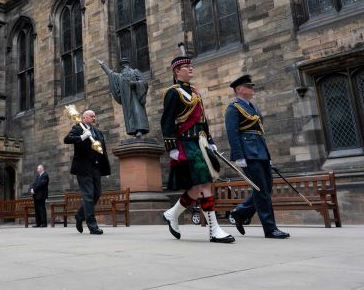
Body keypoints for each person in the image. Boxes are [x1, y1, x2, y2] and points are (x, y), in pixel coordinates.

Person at [160, 55, 234, 243]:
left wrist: (210, 140)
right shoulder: (173, 93)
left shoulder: (195, 93)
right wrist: (172, 148)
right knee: (204, 183)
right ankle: (214, 230)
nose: (191, 68)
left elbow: (202, 119)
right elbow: (167, 121)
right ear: (177, 71)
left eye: (191, 66)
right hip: (185, 143)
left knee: (196, 187)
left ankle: (172, 213)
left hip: (199, 142)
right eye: (186, 66)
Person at [225, 74, 290, 239]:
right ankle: (270, 229)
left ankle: (240, 212)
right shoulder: (233, 107)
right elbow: (232, 134)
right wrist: (239, 156)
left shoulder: (252, 107)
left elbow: (259, 132)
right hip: (248, 154)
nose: (252, 89)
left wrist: (267, 156)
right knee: (261, 190)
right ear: (240, 89)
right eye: (249, 86)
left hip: (260, 152)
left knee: (265, 188)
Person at [64, 110, 111, 235]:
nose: (94, 118)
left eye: (95, 116)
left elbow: (103, 151)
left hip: (96, 167)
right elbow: (67, 139)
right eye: (91, 116)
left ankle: (80, 215)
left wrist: (105, 168)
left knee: (96, 194)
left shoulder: (98, 132)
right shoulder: (78, 128)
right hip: (83, 168)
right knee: (88, 195)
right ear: (84, 118)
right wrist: (82, 137)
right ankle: (92, 225)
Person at [97, 58, 149, 137]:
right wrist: (103, 65)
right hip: (126, 99)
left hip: (135, 97)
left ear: (128, 65)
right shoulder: (120, 76)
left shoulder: (135, 72)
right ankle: (134, 130)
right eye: (122, 66)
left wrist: (135, 84)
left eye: (125, 65)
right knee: (130, 114)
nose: (124, 67)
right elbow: (111, 74)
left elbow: (144, 82)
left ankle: (140, 129)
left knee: (137, 111)